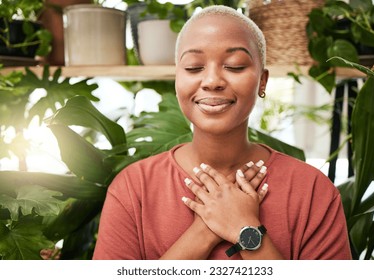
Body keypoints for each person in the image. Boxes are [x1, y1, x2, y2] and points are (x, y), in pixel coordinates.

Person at [93, 5, 351, 260]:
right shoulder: (133, 189)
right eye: (194, 67)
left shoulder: (312, 191)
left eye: (235, 66)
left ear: (262, 81)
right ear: (177, 79)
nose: (212, 81)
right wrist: (204, 231)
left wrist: (245, 229)